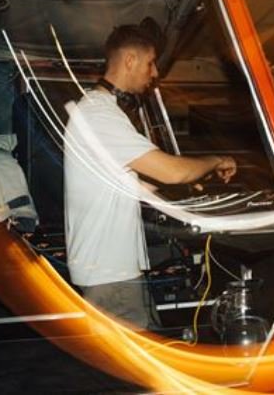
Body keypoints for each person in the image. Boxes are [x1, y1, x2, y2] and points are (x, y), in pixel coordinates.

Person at [63, 24, 237, 330]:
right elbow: (173, 171)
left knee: (148, 348)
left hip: (112, 271)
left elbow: (136, 183)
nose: (154, 72)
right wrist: (217, 160)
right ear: (130, 60)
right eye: (150, 63)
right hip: (110, 276)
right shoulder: (99, 116)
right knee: (137, 359)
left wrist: (188, 182)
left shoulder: (99, 112)